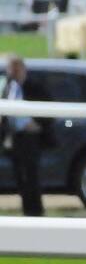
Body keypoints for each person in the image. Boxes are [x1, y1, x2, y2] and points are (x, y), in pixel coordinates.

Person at [2, 56, 46, 215]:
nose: (12, 72)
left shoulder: (34, 86)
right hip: (15, 139)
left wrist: (37, 124)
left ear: (22, 68)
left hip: (31, 139)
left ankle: (36, 211)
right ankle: (26, 210)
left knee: (32, 177)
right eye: (10, 68)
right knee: (20, 177)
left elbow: (47, 107)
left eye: (15, 68)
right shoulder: (8, 86)